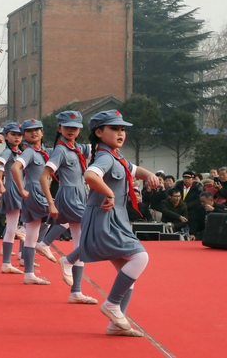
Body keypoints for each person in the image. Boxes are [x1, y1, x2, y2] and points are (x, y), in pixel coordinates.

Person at [63, 110, 159, 338]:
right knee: (140, 257)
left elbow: (135, 170)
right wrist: (109, 193)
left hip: (115, 218)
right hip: (104, 218)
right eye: (114, 129)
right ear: (99, 132)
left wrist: (151, 176)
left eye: (122, 129)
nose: (120, 133)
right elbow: (90, 176)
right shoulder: (105, 157)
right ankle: (112, 304)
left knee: (127, 272)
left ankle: (115, 324)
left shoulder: (117, 157)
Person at [39, 111, 97, 303]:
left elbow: (98, 147)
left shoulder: (78, 148)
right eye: (67, 127)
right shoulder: (61, 150)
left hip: (82, 193)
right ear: (59, 128)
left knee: (81, 243)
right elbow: (44, 176)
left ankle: (76, 292)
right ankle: (67, 259)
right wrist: (51, 203)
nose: (71, 130)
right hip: (69, 195)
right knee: (94, 229)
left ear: (80, 129)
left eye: (75, 127)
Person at [11, 119, 55, 285]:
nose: (34, 133)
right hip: (36, 194)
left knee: (31, 236)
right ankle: (44, 243)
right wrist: (22, 188)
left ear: (42, 133)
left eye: (37, 130)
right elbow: (15, 168)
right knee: (65, 217)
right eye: (29, 131)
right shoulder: (29, 152)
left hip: (42, 193)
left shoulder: (42, 152)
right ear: (24, 136)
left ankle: (29, 274)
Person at [0, 122, 26, 274]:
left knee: (13, 226)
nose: (17, 137)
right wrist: (0, 184)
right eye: (13, 134)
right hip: (13, 188)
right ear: (6, 136)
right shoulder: (9, 152)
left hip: (18, 188)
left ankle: (9, 259)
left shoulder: (18, 151)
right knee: (12, 227)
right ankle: (7, 262)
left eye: (19, 135)